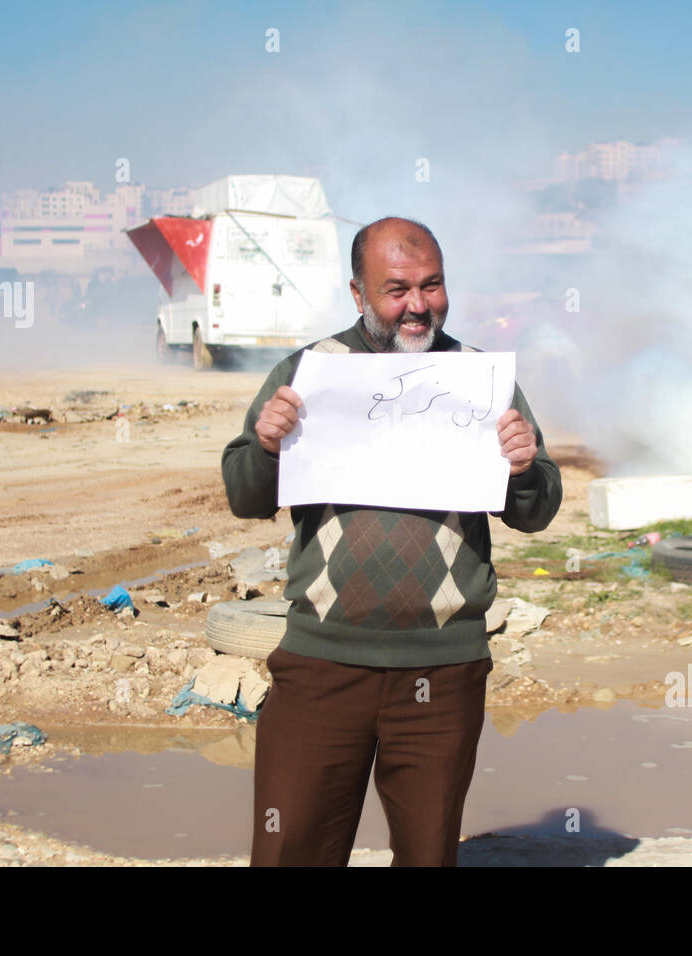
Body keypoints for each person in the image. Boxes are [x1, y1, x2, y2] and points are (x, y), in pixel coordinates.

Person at [222, 216, 562, 866]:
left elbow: (537, 510)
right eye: (396, 288)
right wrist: (266, 445)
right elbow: (244, 495)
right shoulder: (311, 371)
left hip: (442, 672)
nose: (417, 305)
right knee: (288, 848)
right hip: (321, 667)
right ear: (357, 294)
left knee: (428, 857)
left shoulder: (478, 378)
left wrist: (523, 467)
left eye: (431, 286)